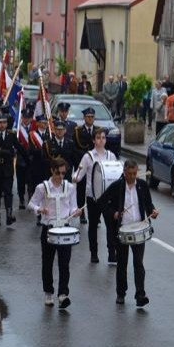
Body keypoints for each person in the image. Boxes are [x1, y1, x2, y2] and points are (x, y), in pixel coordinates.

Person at [97, 160, 159, 307]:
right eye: (129, 174)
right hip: (123, 230)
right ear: (124, 172)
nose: (132, 177)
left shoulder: (142, 186)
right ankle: (121, 293)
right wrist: (113, 214)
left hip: (139, 229)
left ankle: (140, 294)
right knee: (122, 263)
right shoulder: (117, 186)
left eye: (135, 173)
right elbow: (101, 202)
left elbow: (149, 205)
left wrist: (153, 212)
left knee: (138, 263)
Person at [29, 158, 83, 308]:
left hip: (65, 229)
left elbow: (73, 207)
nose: (61, 176)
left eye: (63, 173)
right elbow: (31, 203)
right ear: (51, 171)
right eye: (58, 173)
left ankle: (63, 295)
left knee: (64, 264)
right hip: (48, 228)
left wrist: (76, 212)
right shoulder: (42, 187)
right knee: (47, 262)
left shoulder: (70, 188)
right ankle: (48, 292)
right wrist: (40, 210)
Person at [73, 128, 118, 264]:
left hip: (108, 198)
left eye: (103, 138)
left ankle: (112, 253)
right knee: (92, 226)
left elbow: (116, 175)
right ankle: (94, 253)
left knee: (111, 226)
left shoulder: (111, 156)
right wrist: (75, 177)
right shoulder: (88, 157)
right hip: (93, 197)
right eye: (98, 138)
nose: (101, 140)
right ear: (93, 140)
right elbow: (78, 175)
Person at [0, 112, 26, 226]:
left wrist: (27, 158)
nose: (2, 125)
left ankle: (9, 214)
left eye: (4, 123)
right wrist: (3, 152)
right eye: (0, 123)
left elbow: (19, 147)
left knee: (8, 192)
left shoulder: (11, 134)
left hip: (8, 168)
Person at [72, 107, 97, 224]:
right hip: (82, 163)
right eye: (88, 117)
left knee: (95, 189)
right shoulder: (78, 131)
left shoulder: (98, 131)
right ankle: (82, 212)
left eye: (92, 117)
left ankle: (96, 213)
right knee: (81, 189)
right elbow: (75, 149)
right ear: (84, 117)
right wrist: (82, 159)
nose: (90, 119)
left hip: (95, 166)